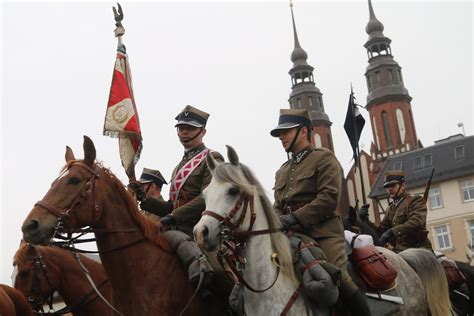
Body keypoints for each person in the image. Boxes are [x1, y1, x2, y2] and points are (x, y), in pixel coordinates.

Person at [271, 109, 371, 316]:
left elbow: (328, 199)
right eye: (280, 133)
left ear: (304, 131)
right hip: (290, 234)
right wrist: (271, 221)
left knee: (337, 275)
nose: (281, 137)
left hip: (322, 231)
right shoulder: (282, 170)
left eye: (286, 131)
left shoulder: (324, 159)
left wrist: (295, 217)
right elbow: (278, 205)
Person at [130, 105, 224, 297]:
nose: (184, 133)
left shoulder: (212, 158)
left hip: (203, 231)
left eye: (189, 128)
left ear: (203, 131)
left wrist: (173, 216)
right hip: (176, 230)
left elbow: (208, 197)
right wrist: (144, 198)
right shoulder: (178, 167)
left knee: (221, 275)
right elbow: (170, 206)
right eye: (181, 128)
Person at [361, 171, 432, 251]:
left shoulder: (415, 200)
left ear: (402, 186)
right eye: (387, 187)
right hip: (400, 250)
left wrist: (392, 232)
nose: (390, 189)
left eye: (393, 185)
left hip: (418, 248)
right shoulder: (391, 208)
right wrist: (366, 221)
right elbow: (381, 231)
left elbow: (417, 222)